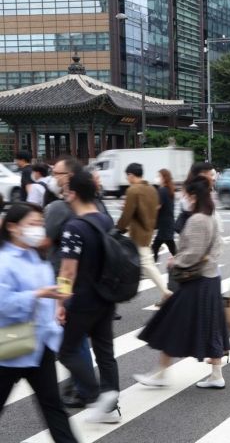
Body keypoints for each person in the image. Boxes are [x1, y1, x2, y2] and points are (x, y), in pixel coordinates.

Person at [134, 175, 229, 389]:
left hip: (196, 281)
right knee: (211, 326)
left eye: (185, 194)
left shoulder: (197, 219)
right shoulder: (211, 216)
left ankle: (160, 374)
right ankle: (215, 374)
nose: (183, 198)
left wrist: (176, 261)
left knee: (172, 323)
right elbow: (216, 248)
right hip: (210, 279)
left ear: (193, 196)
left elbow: (193, 253)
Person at [0, 203, 78, 443]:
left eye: (40, 224)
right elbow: (3, 304)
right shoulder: (5, 261)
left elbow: (47, 292)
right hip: (12, 340)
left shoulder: (36, 258)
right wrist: (37, 295)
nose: (39, 229)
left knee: (53, 406)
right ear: (13, 227)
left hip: (40, 342)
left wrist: (59, 304)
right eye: (32, 224)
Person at [56, 170, 121, 423]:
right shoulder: (104, 220)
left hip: (82, 299)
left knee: (67, 351)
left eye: (65, 188)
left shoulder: (74, 227)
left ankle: (95, 397)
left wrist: (61, 302)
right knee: (105, 353)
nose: (63, 193)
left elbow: (68, 271)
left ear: (72, 193)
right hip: (106, 296)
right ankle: (111, 408)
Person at [116, 163, 171, 304]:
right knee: (138, 263)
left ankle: (166, 291)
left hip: (136, 232)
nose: (127, 179)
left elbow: (127, 214)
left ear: (131, 175)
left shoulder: (133, 190)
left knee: (146, 264)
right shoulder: (152, 189)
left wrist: (118, 229)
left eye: (127, 175)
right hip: (148, 229)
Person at [152, 169, 177, 263]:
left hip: (164, 224)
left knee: (157, 246)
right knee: (168, 245)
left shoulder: (162, 190)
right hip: (168, 222)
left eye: (159, 176)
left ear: (164, 178)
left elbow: (158, 206)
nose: (157, 178)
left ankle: (152, 266)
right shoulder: (170, 189)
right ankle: (180, 262)